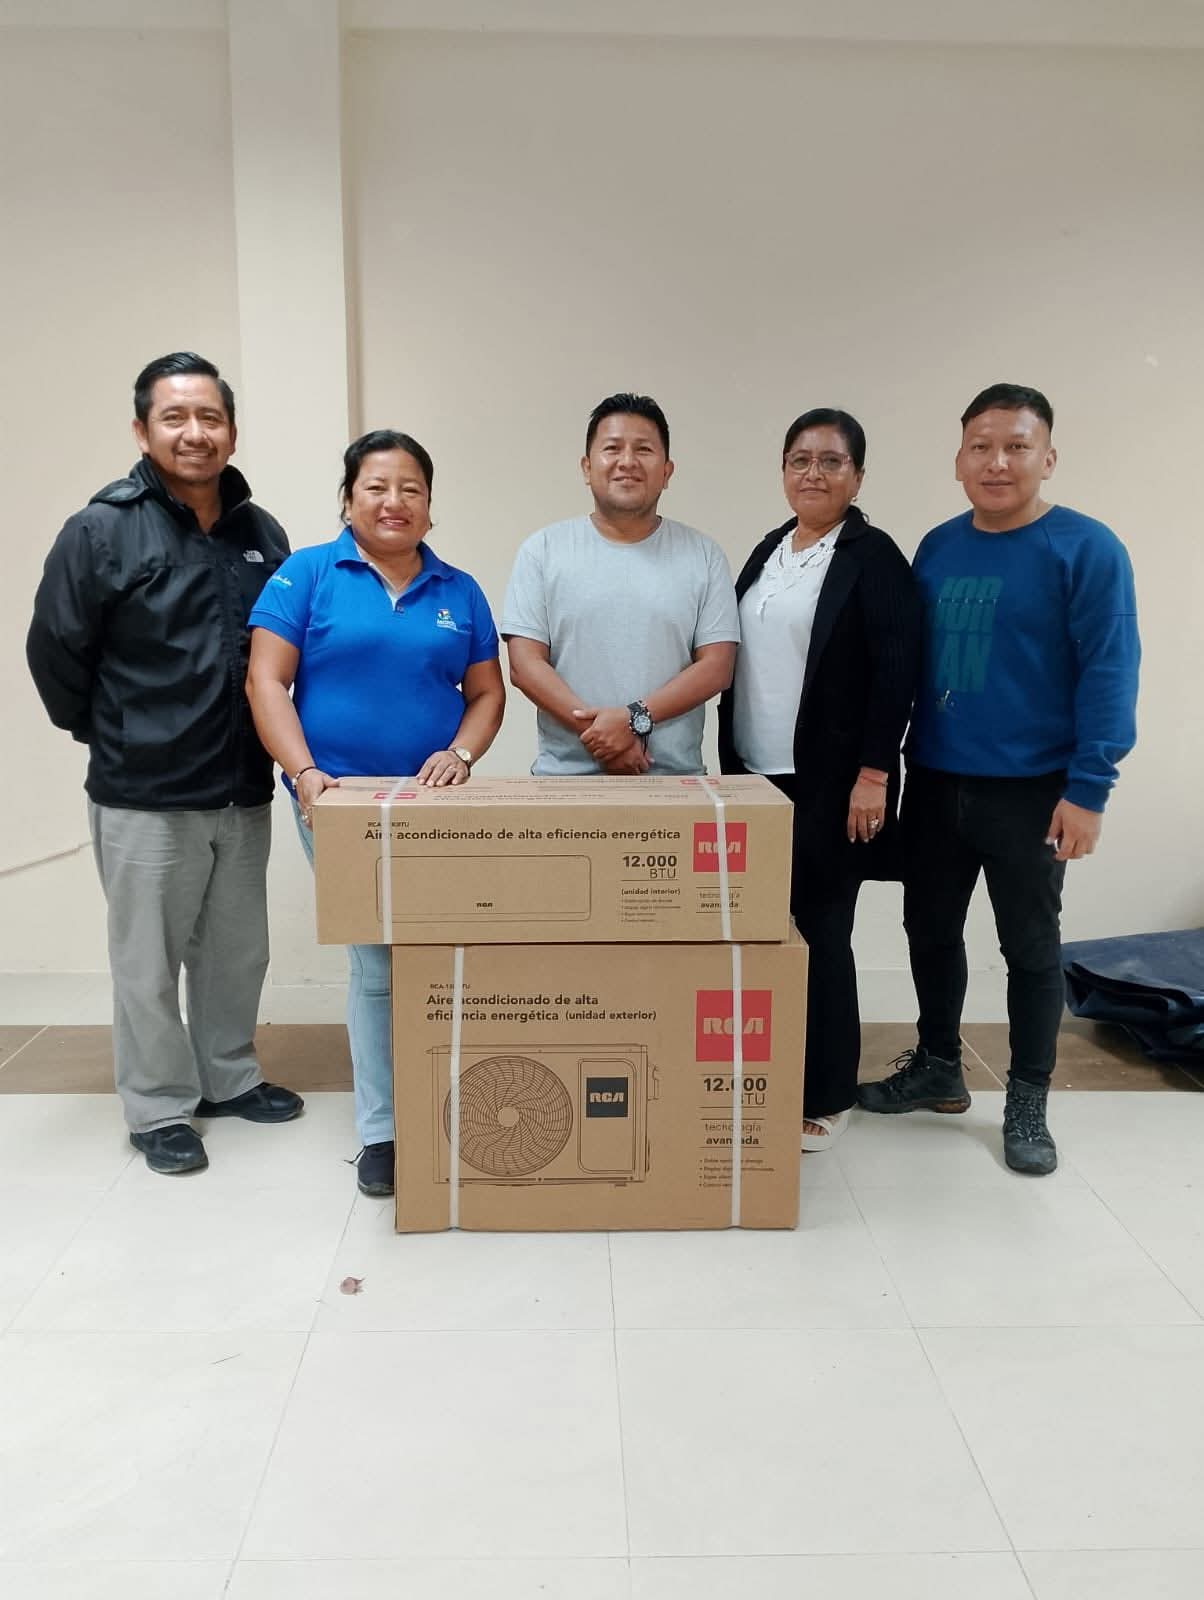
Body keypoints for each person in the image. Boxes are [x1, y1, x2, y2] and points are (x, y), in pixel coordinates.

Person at [26, 352, 304, 1176]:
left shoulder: (261, 534)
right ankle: (157, 1106)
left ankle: (228, 1076)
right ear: (142, 430)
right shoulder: (100, 529)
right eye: (174, 417)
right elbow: (55, 653)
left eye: (209, 417)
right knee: (147, 962)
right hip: (144, 792)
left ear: (231, 431)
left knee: (235, 952)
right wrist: (117, 733)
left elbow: (280, 655)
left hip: (241, 784)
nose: (194, 432)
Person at [857, 383, 1140, 1175]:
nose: (998, 462)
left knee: (1030, 949)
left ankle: (1027, 1100)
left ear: (1048, 458)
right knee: (929, 929)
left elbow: (1110, 672)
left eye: (1017, 446)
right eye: (981, 446)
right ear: (958, 461)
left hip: (1033, 790)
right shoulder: (938, 548)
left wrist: (1088, 790)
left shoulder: (1087, 549)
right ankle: (938, 1066)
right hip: (936, 777)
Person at [245, 429, 505, 1198]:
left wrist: (461, 753)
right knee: (378, 960)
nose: (395, 502)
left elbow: (486, 693)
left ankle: (454, 1101)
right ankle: (383, 1131)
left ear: (429, 504)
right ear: (348, 499)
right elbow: (266, 682)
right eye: (377, 487)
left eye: (411, 489)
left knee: (441, 955)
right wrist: (305, 774)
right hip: (338, 807)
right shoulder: (306, 574)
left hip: (437, 808)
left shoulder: (459, 590)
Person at [718, 409, 920, 1152]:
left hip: (831, 783)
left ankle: (829, 1093)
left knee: (823, 931)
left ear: (857, 476)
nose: (814, 473)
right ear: (783, 470)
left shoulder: (874, 556)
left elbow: (898, 671)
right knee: (770, 929)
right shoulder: (772, 549)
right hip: (755, 775)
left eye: (832, 461)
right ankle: (777, 1073)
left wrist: (873, 773)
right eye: (800, 459)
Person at [501, 393, 739, 775]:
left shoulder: (704, 555)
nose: (627, 461)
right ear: (586, 467)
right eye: (612, 448)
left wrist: (633, 719)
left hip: (674, 782)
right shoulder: (542, 550)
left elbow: (717, 667)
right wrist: (601, 737)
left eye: (644, 449)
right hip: (564, 782)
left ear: (667, 471)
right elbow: (524, 665)